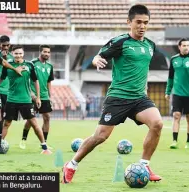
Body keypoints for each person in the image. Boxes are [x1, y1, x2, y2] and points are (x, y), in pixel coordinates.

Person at [62, 4, 163, 184]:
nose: (142, 26)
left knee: (157, 123)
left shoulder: (150, 45)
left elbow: (143, 68)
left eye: (146, 23)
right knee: (100, 136)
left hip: (139, 98)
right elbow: (99, 56)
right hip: (118, 97)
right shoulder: (120, 42)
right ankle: (71, 164)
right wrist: (96, 60)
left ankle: (145, 165)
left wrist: (144, 87)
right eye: (138, 22)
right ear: (129, 22)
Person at [0, 45, 52, 154]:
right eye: (16, 53)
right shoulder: (8, 65)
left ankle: (45, 147)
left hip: (26, 100)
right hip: (11, 100)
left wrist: (38, 97)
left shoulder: (29, 65)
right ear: (12, 54)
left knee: (34, 123)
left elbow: (35, 81)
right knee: (6, 124)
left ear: (23, 54)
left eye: (20, 53)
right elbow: (1, 79)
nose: (18, 55)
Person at [165, 38, 189, 149]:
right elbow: (171, 77)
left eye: (188, 45)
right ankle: (174, 141)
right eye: (184, 45)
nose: (186, 47)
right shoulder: (174, 60)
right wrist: (168, 91)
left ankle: (188, 142)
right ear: (179, 47)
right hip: (177, 93)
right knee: (176, 116)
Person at [19, 45, 54, 149]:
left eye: (48, 52)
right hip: (32, 96)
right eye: (45, 52)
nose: (47, 54)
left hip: (44, 96)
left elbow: (49, 82)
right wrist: (31, 93)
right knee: (30, 119)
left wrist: (50, 96)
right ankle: (23, 140)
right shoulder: (32, 63)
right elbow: (27, 79)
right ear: (40, 52)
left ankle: (44, 142)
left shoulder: (50, 66)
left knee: (47, 117)